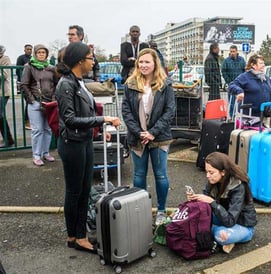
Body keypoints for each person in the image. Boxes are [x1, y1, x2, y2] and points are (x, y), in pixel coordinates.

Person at [55, 42, 120, 253]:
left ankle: (80, 234)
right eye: (91, 58)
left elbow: (85, 112)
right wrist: (104, 119)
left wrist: (100, 129)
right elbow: (70, 119)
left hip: (83, 141)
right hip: (72, 144)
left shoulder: (80, 81)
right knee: (75, 192)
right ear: (79, 61)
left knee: (84, 191)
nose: (94, 61)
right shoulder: (66, 84)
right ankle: (73, 236)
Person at [122, 48, 175, 226]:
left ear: (155, 64)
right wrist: (139, 132)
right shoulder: (130, 83)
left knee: (160, 175)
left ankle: (161, 210)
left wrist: (153, 132)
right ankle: (141, 209)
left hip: (159, 138)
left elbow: (170, 111)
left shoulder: (165, 84)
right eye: (141, 62)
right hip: (137, 138)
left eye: (147, 62)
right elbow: (126, 111)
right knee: (139, 175)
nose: (143, 65)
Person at [187, 151, 257, 254]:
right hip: (222, 217)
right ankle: (212, 230)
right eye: (207, 172)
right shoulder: (214, 180)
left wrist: (212, 202)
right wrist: (195, 199)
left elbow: (230, 221)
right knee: (195, 215)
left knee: (220, 236)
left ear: (223, 172)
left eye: (211, 172)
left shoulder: (238, 186)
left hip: (241, 224)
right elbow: (205, 206)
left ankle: (214, 231)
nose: (207, 176)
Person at [20, 44, 59, 166]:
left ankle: (46, 152)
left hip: (49, 103)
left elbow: (56, 84)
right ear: (35, 54)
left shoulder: (51, 68)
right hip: (36, 103)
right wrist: (32, 100)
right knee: (37, 130)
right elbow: (24, 85)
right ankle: (36, 155)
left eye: (44, 52)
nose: (41, 54)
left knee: (47, 129)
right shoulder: (29, 67)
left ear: (46, 54)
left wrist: (54, 99)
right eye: (39, 52)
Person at [221, 45, 246, 118]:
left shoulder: (242, 60)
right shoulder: (226, 61)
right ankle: (232, 117)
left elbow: (244, 71)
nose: (232, 53)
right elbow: (223, 71)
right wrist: (228, 81)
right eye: (231, 51)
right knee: (232, 102)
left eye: (233, 51)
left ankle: (241, 117)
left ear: (237, 51)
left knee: (241, 101)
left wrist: (243, 81)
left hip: (240, 84)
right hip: (231, 84)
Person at [0, 45, 15, 148]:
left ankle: (8, 139)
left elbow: (4, 74)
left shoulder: (5, 59)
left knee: (0, 115)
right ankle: (8, 139)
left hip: (3, 92)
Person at [16, 44, 33, 129]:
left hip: (32, 84)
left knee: (32, 103)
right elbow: (17, 70)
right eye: (27, 49)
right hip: (25, 84)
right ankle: (26, 122)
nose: (29, 51)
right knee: (29, 102)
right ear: (24, 50)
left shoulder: (33, 59)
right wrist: (22, 82)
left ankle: (31, 121)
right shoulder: (21, 58)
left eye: (30, 49)